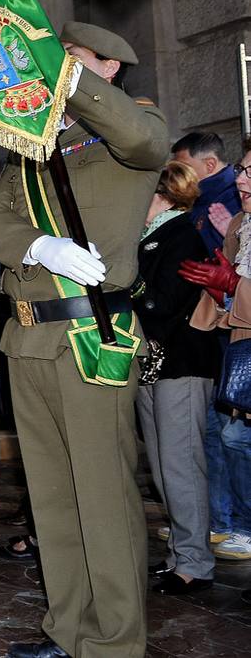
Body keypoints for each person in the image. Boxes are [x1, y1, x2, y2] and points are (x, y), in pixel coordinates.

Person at [0, 21, 167, 658]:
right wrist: (39, 244)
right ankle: (69, 627)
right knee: (53, 499)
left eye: (71, 60)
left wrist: (66, 76)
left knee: (103, 496)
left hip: (94, 335)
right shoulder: (30, 149)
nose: (49, 67)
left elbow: (144, 139)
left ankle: (115, 641)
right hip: (29, 340)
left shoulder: (129, 128)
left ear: (107, 70)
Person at [134, 161, 221, 595]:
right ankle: (180, 556)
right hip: (153, 360)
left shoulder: (181, 234)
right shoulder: (149, 236)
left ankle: (196, 563)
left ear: (163, 195)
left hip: (180, 362)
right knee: (163, 465)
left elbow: (163, 302)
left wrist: (125, 283)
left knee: (181, 464)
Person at [186, 141, 251, 565]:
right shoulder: (240, 225)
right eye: (242, 171)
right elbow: (228, 291)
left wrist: (232, 286)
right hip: (241, 344)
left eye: (249, 173)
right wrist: (221, 291)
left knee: (235, 436)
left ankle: (243, 527)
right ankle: (238, 526)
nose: (240, 180)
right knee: (230, 434)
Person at [172, 131, 240, 257]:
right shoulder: (197, 195)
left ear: (210, 165)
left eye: (182, 168)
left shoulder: (236, 198)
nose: (177, 174)